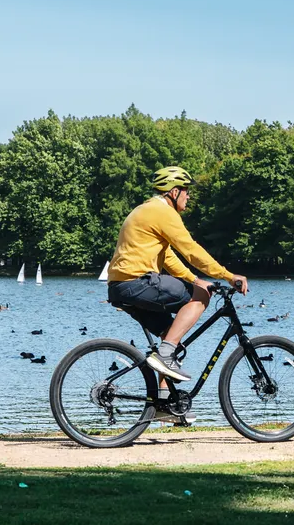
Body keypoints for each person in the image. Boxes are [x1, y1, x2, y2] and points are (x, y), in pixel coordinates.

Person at [106, 166, 248, 425]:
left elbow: (168, 257)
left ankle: (163, 404)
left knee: (171, 336)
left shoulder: (149, 210)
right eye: (186, 191)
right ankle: (165, 354)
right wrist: (228, 276)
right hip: (136, 281)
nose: (188, 196)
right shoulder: (163, 212)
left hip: (122, 285)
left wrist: (195, 280)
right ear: (173, 192)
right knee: (200, 298)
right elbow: (191, 250)